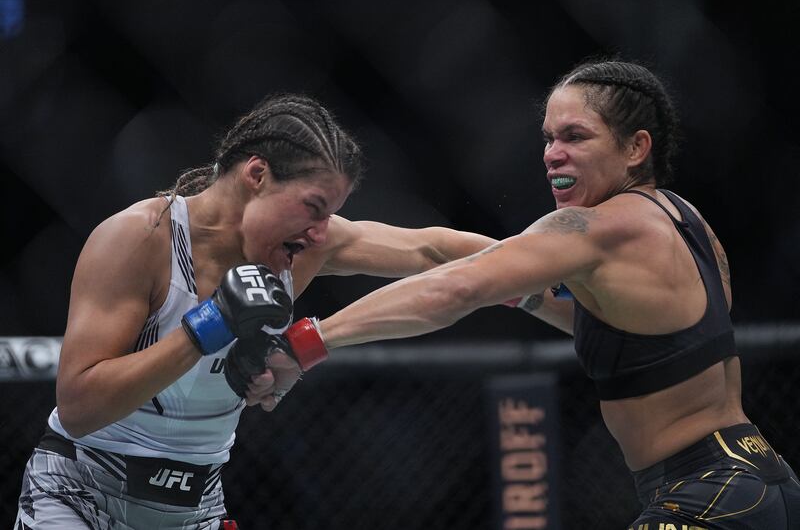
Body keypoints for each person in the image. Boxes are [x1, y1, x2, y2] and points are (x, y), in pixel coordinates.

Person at [270, 60, 800, 528]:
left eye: (575, 137)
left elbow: (454, 288)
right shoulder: (684, 224)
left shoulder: (596, 227)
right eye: (548, 138)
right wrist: (349, 239)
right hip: (759, 480)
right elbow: (475, 264)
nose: (553, 154)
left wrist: (307, 343)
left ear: (637, 148)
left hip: (705, 493)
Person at [13, 93, 501, 529]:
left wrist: (550, 268)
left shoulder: (307, 247)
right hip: (77, 494)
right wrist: (205, 329)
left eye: (329, 214)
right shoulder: (140, 238)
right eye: (313, 207)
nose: (319, 232)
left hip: (193, 508)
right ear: (257, 175)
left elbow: (430, 250)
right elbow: (78, 408)